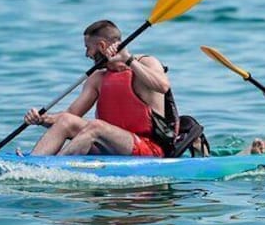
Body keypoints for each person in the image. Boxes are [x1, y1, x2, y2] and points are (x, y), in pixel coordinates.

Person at [23, 20, 176, 157]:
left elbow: (163, 86)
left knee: (96, 127)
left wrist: (128, 60)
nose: (86, 54)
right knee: (66, 120)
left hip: (149, 148)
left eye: (88, 48)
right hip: (109, 146)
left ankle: (52, 170)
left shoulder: (146, 63)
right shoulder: (97, 78)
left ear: (102, 46)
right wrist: (41, 119)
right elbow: (70, 115)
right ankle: (35, 162)